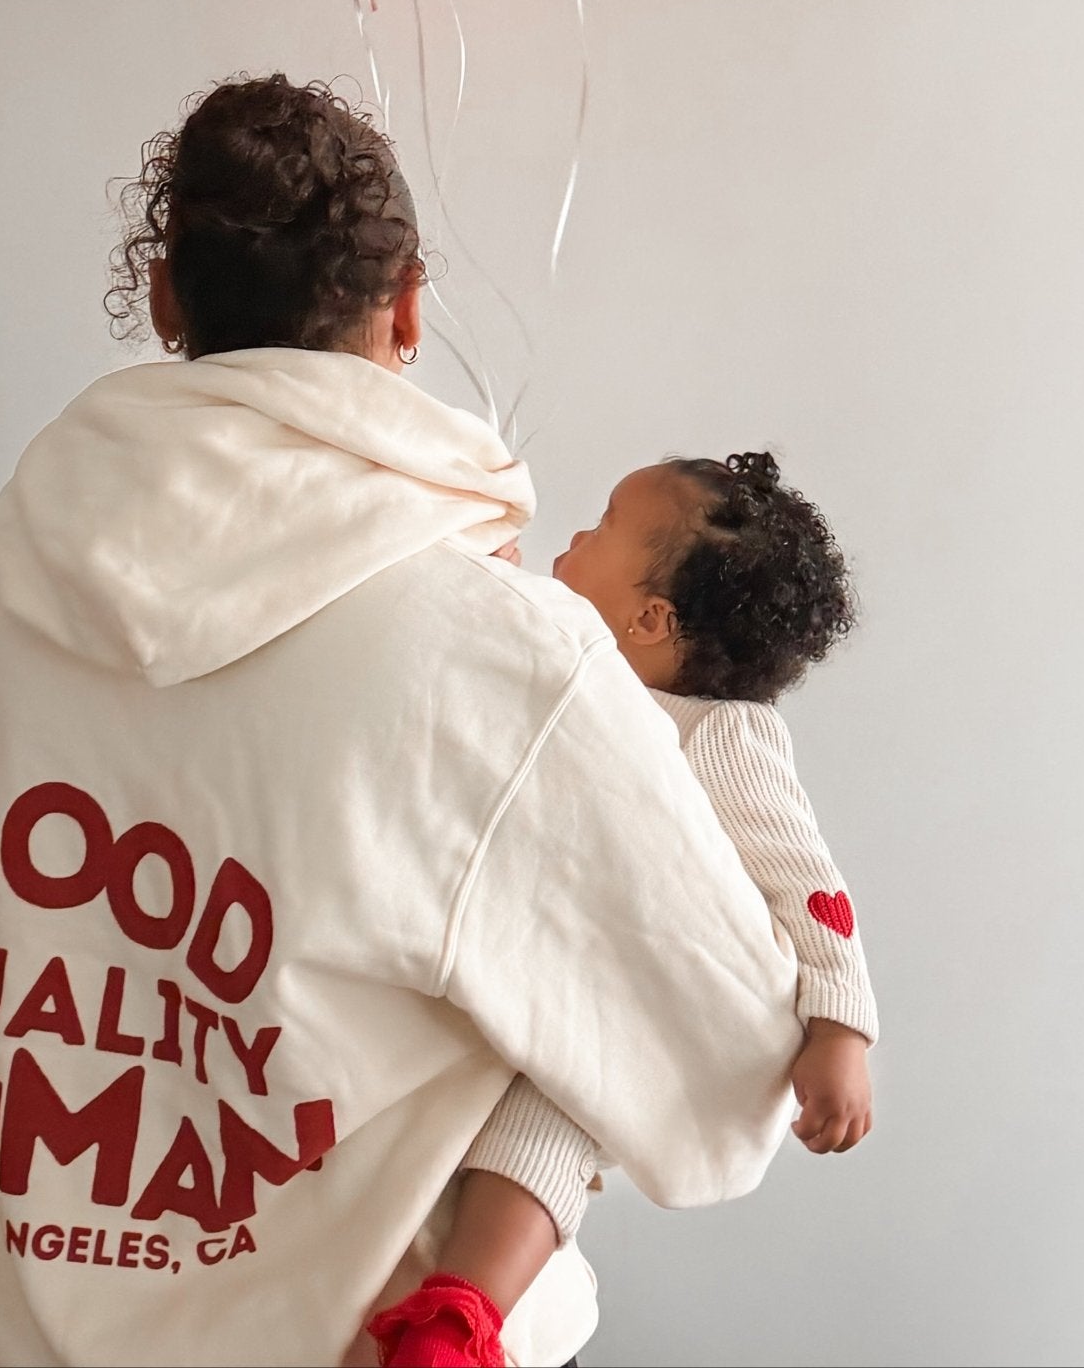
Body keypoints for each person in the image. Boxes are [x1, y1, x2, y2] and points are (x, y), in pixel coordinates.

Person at [0, 74, 802, 1368]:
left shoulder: (17, 621)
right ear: (407, 305)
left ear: (169, 301)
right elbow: (726, 1073)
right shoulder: (498, 651)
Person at [367, 456, 876, 1367]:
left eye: (604, 524)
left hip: (619, 998)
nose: (576, 534)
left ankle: (459, 1318)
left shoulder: (718, 733)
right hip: (525, 956)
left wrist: (841, 1029)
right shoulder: (571, 671)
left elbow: (810, 885)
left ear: (649, 619)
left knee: (552, 1119)